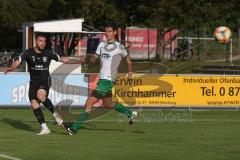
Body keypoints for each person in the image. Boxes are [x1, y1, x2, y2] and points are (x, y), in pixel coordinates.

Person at [64, 23, 138, 135]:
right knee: (109, 104)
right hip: (103, 79)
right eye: (106, 31)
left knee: (89, 103)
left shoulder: (119, 47)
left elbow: (128, 60)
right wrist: (86, 61)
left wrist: (130, 72)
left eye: (109, 31)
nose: (107, 33)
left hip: (108, 80)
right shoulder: (101, 45)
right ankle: (129, 113)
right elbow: (95, 58)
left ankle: (73, 128)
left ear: (114, 33)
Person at [3, 32, 82, 135]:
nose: (42, 43)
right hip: (33, 82)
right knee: (34, 103)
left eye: (44, 41)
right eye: (40, 41)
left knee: (40, 95)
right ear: (36, 41)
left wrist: (77, 61)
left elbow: (63, 59)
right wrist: (11, 68)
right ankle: (45, 128)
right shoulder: (28, 53)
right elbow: (17, 61)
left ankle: (56, 115)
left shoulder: (49, 53)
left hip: (44, 80)